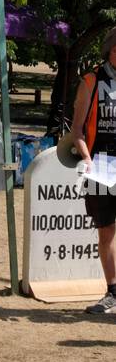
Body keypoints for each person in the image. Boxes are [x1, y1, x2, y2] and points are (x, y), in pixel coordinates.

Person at [70, 27, 116, 314]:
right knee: (107, 230)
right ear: (111, 51)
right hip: (100, 167)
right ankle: (112, 292)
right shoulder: (90, 81)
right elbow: (76, 130)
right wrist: (86, 158)